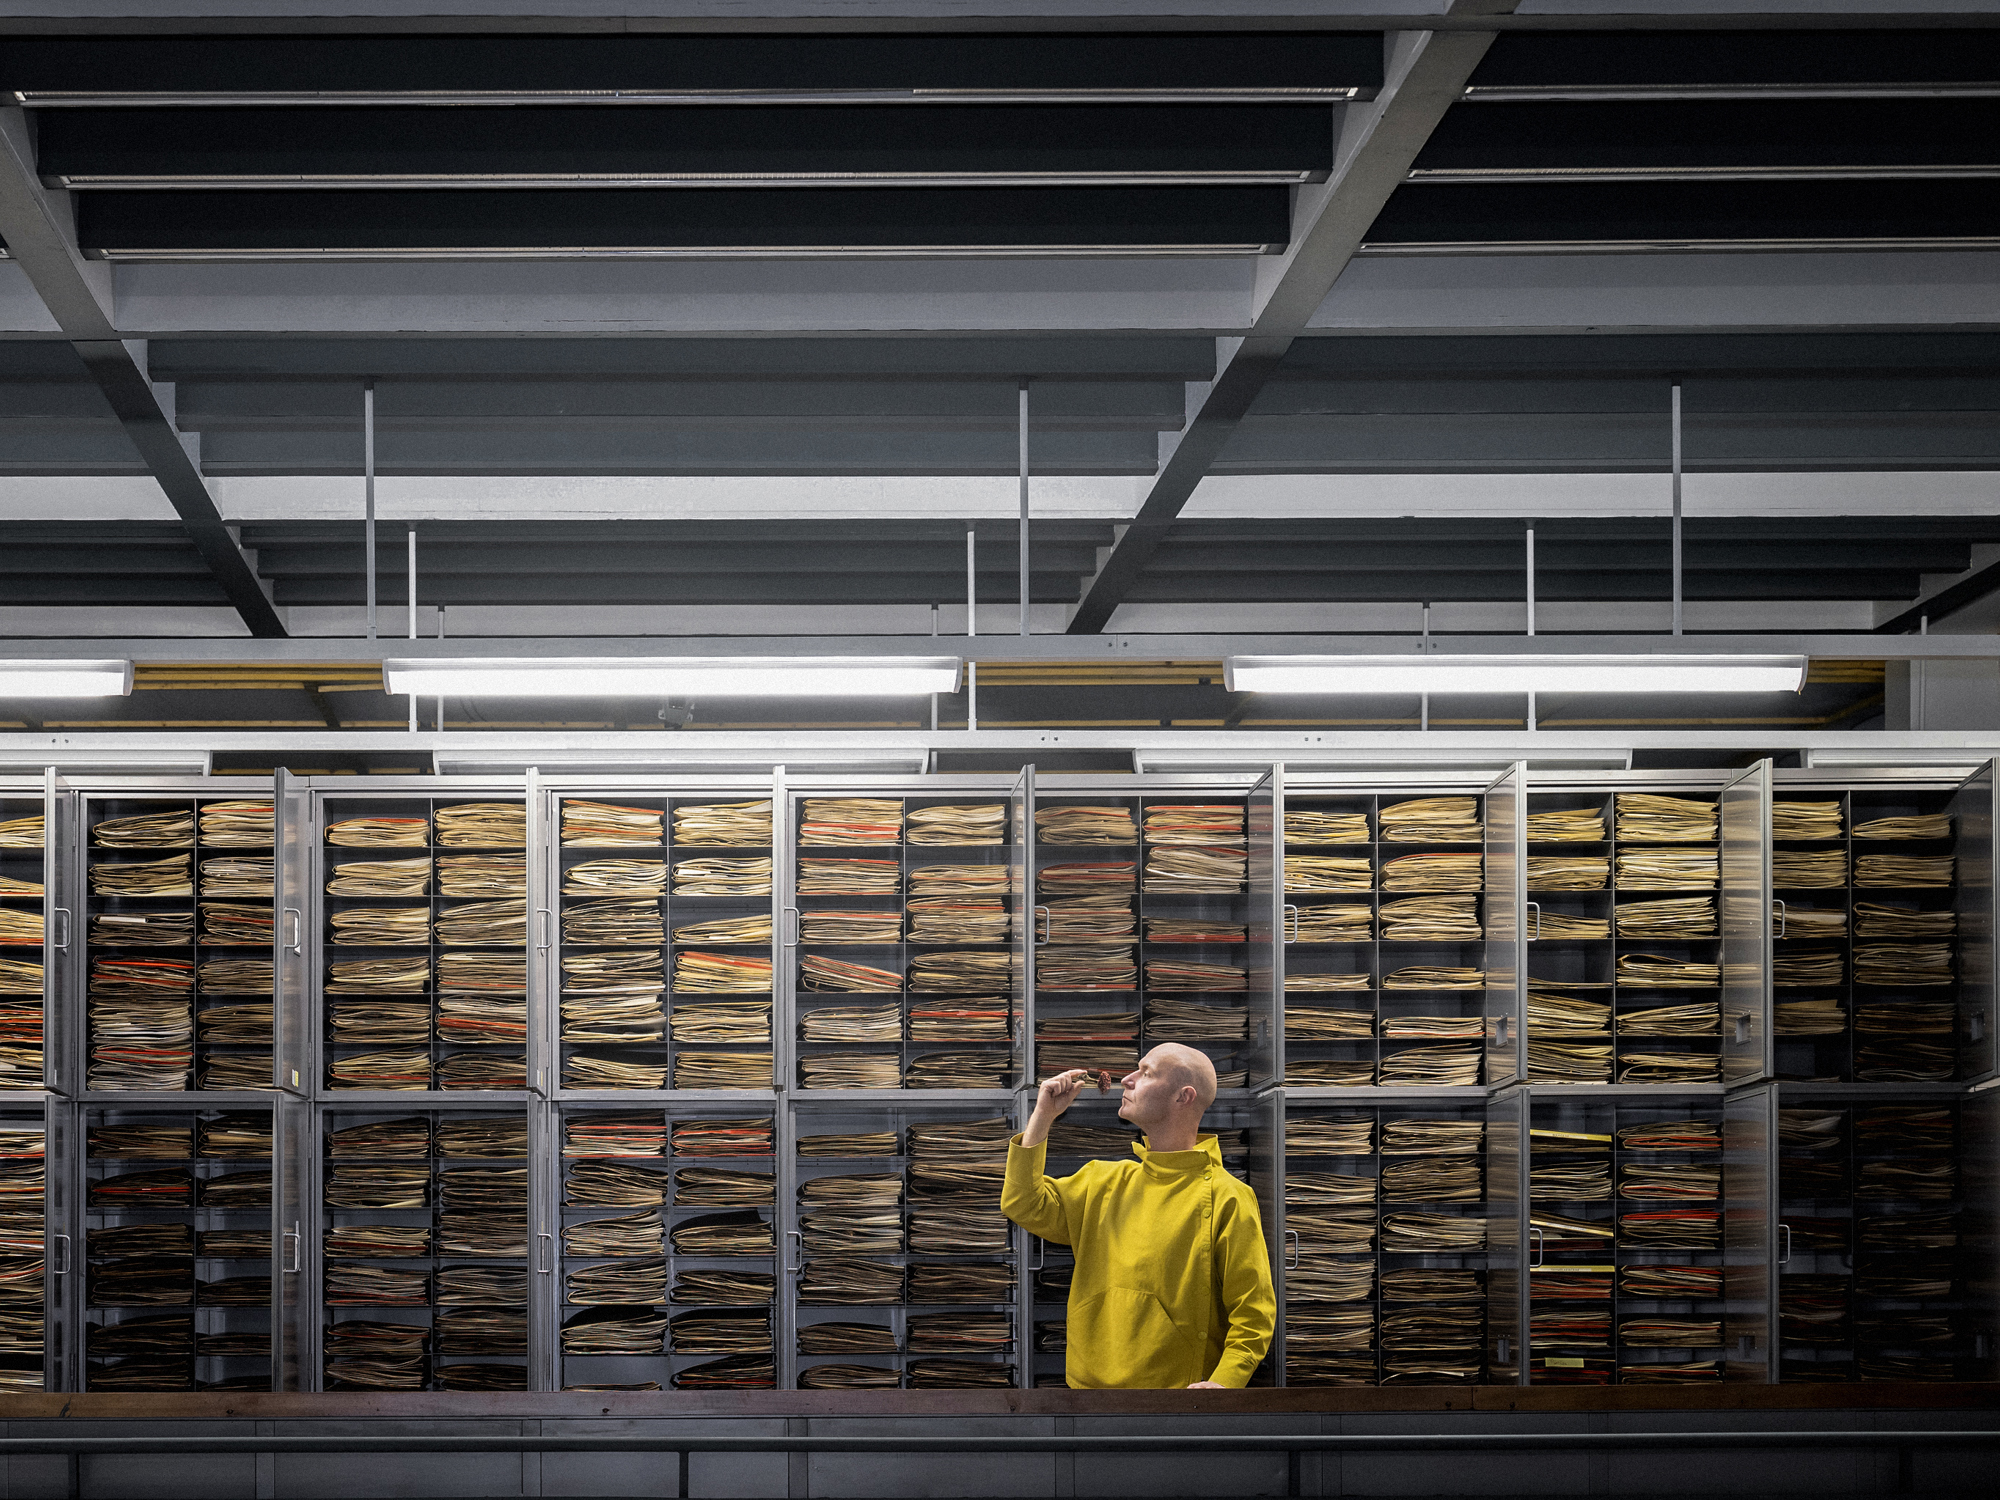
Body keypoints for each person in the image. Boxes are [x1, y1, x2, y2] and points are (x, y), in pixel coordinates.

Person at [1001, 1043, 1275, 1389]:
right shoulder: (1102, 1181)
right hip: (1087, 1395)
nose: (1126, 1079)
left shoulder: (1228, 1197)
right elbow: (1022, 1202)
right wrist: (1043, 1115)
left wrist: (1224, 1384)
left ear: (1183, 1096)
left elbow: (1254, 1311)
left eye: (1146, 1072)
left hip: (1178, 1402)